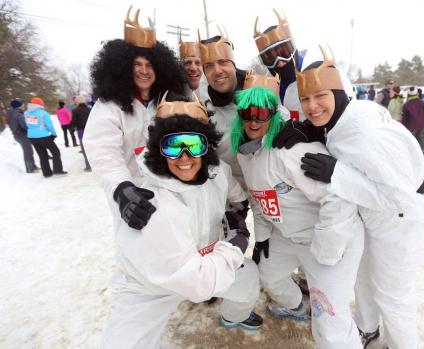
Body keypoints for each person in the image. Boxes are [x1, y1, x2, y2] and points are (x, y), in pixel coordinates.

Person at [274, 46, 424, 349]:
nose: (312, 106)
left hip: (398, 223)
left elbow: (402, 200)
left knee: (393, 295)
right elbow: (339, 136)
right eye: (306, 99)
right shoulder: (343, 117)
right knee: (365, 280)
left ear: (340, 92)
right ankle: (368, 329)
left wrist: (337, 174)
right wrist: (308, 130)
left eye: (321, 96)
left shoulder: (369, 134)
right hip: (369, 215)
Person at [102, 97, 262, 349]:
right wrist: (235, 243)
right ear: (158, 148)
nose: (184, 156)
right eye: (173, 145)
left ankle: (235, 316)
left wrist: (238, 210)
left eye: (193, 143)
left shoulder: (216, 171)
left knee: (248, 278)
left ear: (206, 145)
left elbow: (234, 193)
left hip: (207, 259)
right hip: (150, 286)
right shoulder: (154, 203)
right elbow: (199, 283)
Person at [231, 83, 364, 348]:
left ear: (274, 114)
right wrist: (263, 238)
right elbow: (259, 202)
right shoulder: (246, 156)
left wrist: (326, 249)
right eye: (247, 113)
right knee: (269, 275)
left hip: (330, 239)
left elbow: (338, 196)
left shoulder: (292, 150)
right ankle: (294, 306)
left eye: (261, 113)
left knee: (329, 317)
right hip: (287, 236)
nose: (253, 120)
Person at [83, 5, 186, 230]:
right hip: (133, 201)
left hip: (173, 196)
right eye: (137, 64)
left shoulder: (168, 101)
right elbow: (103, 151)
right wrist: (122, 189)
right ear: (122, 67)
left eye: (150, 65)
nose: (143, 71)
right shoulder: (109, 106)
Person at [198, 26, 248, 187]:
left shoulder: (257, 90)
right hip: (231, 191)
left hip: (267, 187)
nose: (217, 71)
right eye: (209, 66)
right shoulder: (203, 105)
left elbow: (282, 119)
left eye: (223, 62)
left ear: (233, 64)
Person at [253, 8, 308, 121]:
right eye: (270, 58)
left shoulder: (315, 75)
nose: (280, 63)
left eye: (284, 52)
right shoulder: (268, 88)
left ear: (293, 47)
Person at [25, 97, 67, 177]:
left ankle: (46, 173)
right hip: (43, 136)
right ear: (40, 104)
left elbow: (27, 125)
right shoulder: (43, 113)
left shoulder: (26, 113)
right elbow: (49, 125)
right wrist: (53, 133)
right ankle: (58, 170)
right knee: (55, 152)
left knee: (42, 155)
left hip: (32, 137)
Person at [7, 99, 37, 173]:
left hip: (17, 135)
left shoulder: (11, 114)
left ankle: (33, 166)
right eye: (22, 105)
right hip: (22, 135)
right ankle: (30, 168)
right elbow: (24, 126)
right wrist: (31, 126)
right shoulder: (18, 114)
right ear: (19, 106)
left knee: (29, 150)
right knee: (28, 151)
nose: (23, 106)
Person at [402, 86, 424, 151]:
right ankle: (421, 153)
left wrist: (404, 126)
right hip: (422, 125)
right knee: (421, 141)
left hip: (411, 126)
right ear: (417, 94)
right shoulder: (422, 103)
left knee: (412, 142)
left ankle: (414, 154)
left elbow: (404, 118)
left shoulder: (406, 105)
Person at [72, 96, 91, 171]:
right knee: (92, 147)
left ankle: (88, 166)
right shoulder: (89, 109)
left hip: (81, 131)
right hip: (90, 130)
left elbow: (73, 122)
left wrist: (73, 128)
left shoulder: (75, 110)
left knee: (84, 149)